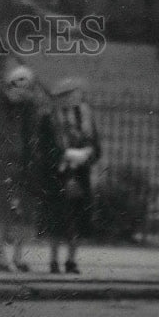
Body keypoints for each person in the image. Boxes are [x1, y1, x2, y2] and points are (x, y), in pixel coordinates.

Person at [0, 64, 42, 272]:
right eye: (18, 88)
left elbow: (33, 136)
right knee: (1, 211)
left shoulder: (29, 107)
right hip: (0, 163)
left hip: (24, 164)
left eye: (26, 89)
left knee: (24, 212)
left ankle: (18, 256)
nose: (22, 93)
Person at [35, 77, 101, 274]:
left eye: (78, 94)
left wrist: (87, 154)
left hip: (80, 174)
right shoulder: (49, 117)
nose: (77, 97)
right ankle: (54, 261)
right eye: (73, 94)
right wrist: (63, 155)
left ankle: (71, 261)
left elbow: (96, 146)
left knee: (78, 218)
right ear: (62, 97)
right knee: (56, 219)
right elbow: (42, 147)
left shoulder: (86, 116)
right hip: (57, 174)